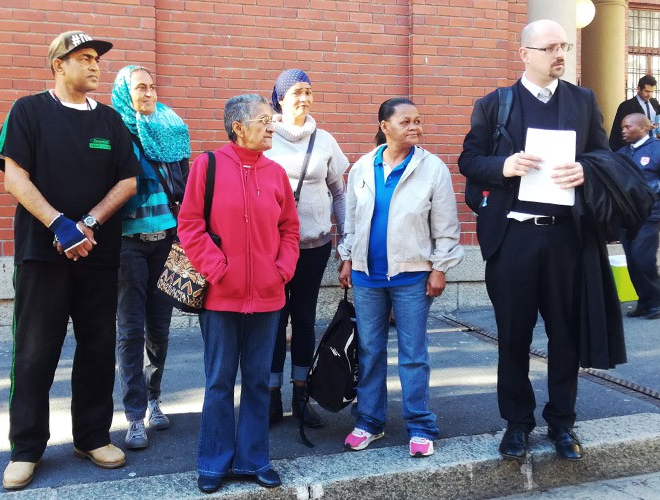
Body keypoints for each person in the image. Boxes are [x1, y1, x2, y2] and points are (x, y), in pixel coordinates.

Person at [459, 19, 626, 462]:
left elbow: (605, 157)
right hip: (513, 237)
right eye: (551, 47)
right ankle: (517, 423)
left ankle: (562, 424)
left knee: (565, 336)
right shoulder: (495, 104)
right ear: (525, 53)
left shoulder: (583, 101)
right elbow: (469, 160)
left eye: (564, 46)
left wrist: (587, 170)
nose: (560, 55)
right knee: (513, 335)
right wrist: (504, 166)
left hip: (567, 240)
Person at [0, 31, 140, 490]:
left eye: (97, 60)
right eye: (86, 58)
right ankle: (26, 449)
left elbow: (128, 182)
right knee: (35, 351)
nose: (96, 67)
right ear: (58, 65)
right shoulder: (28, 111)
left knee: (98, 348)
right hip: (41, 256)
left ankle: (92, 436)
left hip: (97, 256)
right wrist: (60, 224)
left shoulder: (112, 122)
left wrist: (88, 222)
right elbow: (15, 178)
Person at [177, 94, 300, 493]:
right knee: (218, 382)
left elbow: (290, 230)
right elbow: (190, 226)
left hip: (268, 297)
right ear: (238, 127)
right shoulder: (207, 166)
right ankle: (214, 462)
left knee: (259, 381)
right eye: (264, 119)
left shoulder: (276, 173)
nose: (271, 126)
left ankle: (254, 459)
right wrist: (217, 270)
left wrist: (280, 270)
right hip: (219, 297)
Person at [338, 97, 463, 458]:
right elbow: (351, 222)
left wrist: (440, 267)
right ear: (385, 126)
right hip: (366, 276)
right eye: (406, 121)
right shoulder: (362, 167)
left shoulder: (432, 168)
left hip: (412, 277)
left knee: (413, 353)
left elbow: (446, 226)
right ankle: (369, 422)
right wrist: (347, 259)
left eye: (418, 121)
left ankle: (421, 426)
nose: (415, 127)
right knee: (369, 350)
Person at [110, 65, 191, 449]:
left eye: (152, 86)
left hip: (166, 241)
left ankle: (154, 396)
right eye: (139, 88)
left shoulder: (171, 127)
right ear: (126, 94)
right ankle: (133, 415)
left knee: (159, 328)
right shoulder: (115, 129)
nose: (148, 93)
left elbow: (187, 185)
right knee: (130, 330)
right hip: (128, 242)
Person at [264, 69, 349, 428]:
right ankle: (269, 396)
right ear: (280, 98)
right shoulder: (265, 135)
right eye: (297, 92)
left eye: (309, 92)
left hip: (313, 246)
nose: (304, 98)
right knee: (271, 321)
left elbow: (341, 194)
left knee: (303, 319)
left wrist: (345, 241)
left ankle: (301, 395)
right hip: (270, 250)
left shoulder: (325, 140)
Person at [617, 113, 660, 319]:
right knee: (632, 261)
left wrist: (647, 189)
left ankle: (657, 297)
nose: (623, 130)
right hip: (627, 214)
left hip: (651, 213)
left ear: (642, 128)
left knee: (643, 258)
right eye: (622, 127)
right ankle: (645, 301)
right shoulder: (622, 152)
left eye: (627, 127)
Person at [609, 75, 660, 151]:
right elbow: (617, 130)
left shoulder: (654, 103)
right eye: (646, 91)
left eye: (652, 91)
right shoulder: (626, 106)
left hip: (653, 147)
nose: (649, 94)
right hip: (634, 148)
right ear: (638, 89)